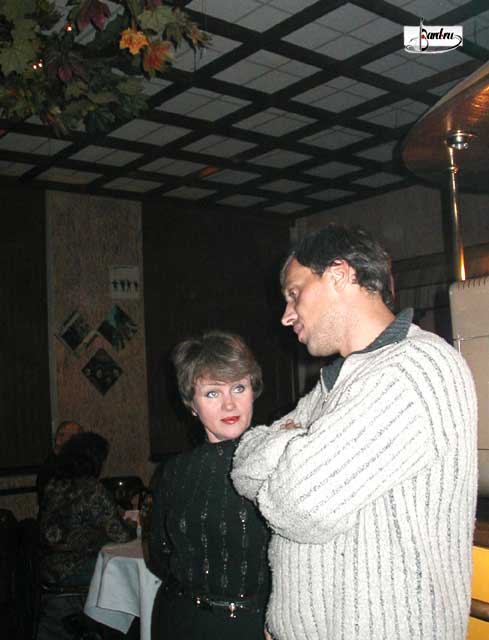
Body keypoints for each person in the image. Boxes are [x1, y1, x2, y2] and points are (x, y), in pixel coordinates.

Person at [231, 224, 478, 640]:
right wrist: (300, 445)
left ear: (339, 275)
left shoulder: (416, 367)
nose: (286, 315)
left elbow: (300, 504)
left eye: (294, 293)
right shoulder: (334, 384)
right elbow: (243, 464)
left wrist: (291, 441)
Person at [148, 331, 270, 640]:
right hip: (182, 621)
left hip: (257, 626)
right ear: (191, 404)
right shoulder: (174, 471)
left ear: (253, 391)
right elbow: (159, 553)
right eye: (213, 393)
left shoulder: (280, 460)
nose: (229, 404)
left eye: (239, 388)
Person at [37, 432, 136, 640]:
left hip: (48, 565)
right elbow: (121, 535)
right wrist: (133, 525)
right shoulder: (91, 489)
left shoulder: (54, 485)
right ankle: (113, 628)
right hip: (75, 568)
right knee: (121, 575)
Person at [36, 420, 84, 505]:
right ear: (59, 439)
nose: (79, 442)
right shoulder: (51, 467)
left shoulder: (73, 463)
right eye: (74, 437)